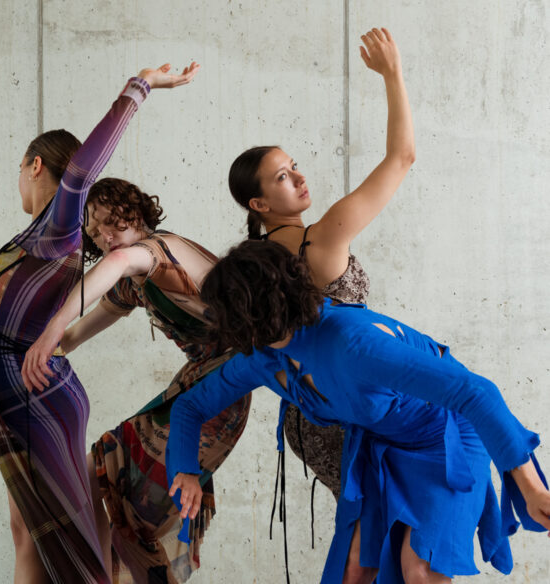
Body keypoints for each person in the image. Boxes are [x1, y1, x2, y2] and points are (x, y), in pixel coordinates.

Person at [167, 240, 550, 583]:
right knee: (353, 569)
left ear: (247, 313)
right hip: (381, 445)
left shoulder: (352, 342)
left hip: (447, 438)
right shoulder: (264, 356)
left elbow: (476, 392)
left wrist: (532, 488)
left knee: (420, 570)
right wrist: (186, 470)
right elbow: (190, 405)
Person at [0, 63, 199, 584]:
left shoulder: (59, 224)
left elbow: (80, 175)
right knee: (27, 530)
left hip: (35, 394)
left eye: (20, 169)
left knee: (67, 540)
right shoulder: (41, 235)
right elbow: (34, 311)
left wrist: (139, 88)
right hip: (20, 390)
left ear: (34, 164)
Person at [21, 177, 249, 582]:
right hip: (194, 384)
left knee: (133, 502)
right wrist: (23, 330)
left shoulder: (157, 250)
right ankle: (102, 575)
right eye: (95, 232)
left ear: (137, 212)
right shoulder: (134, 280)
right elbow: (76, 335)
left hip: (223, 388)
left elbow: (117, 265)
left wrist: (52, 330)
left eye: (111, 220)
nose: (105, 236)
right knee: (93, 472)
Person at [227, 27, 415, 498]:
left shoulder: (252, 266)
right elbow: (402, 157)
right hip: (354, 405)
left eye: (294, 166)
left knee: (367, 525)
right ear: (259, 204)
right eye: (283, 177)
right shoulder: (323, 238)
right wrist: (392, 73)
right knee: (392, 526)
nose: (299, 178)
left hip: (306, 416)